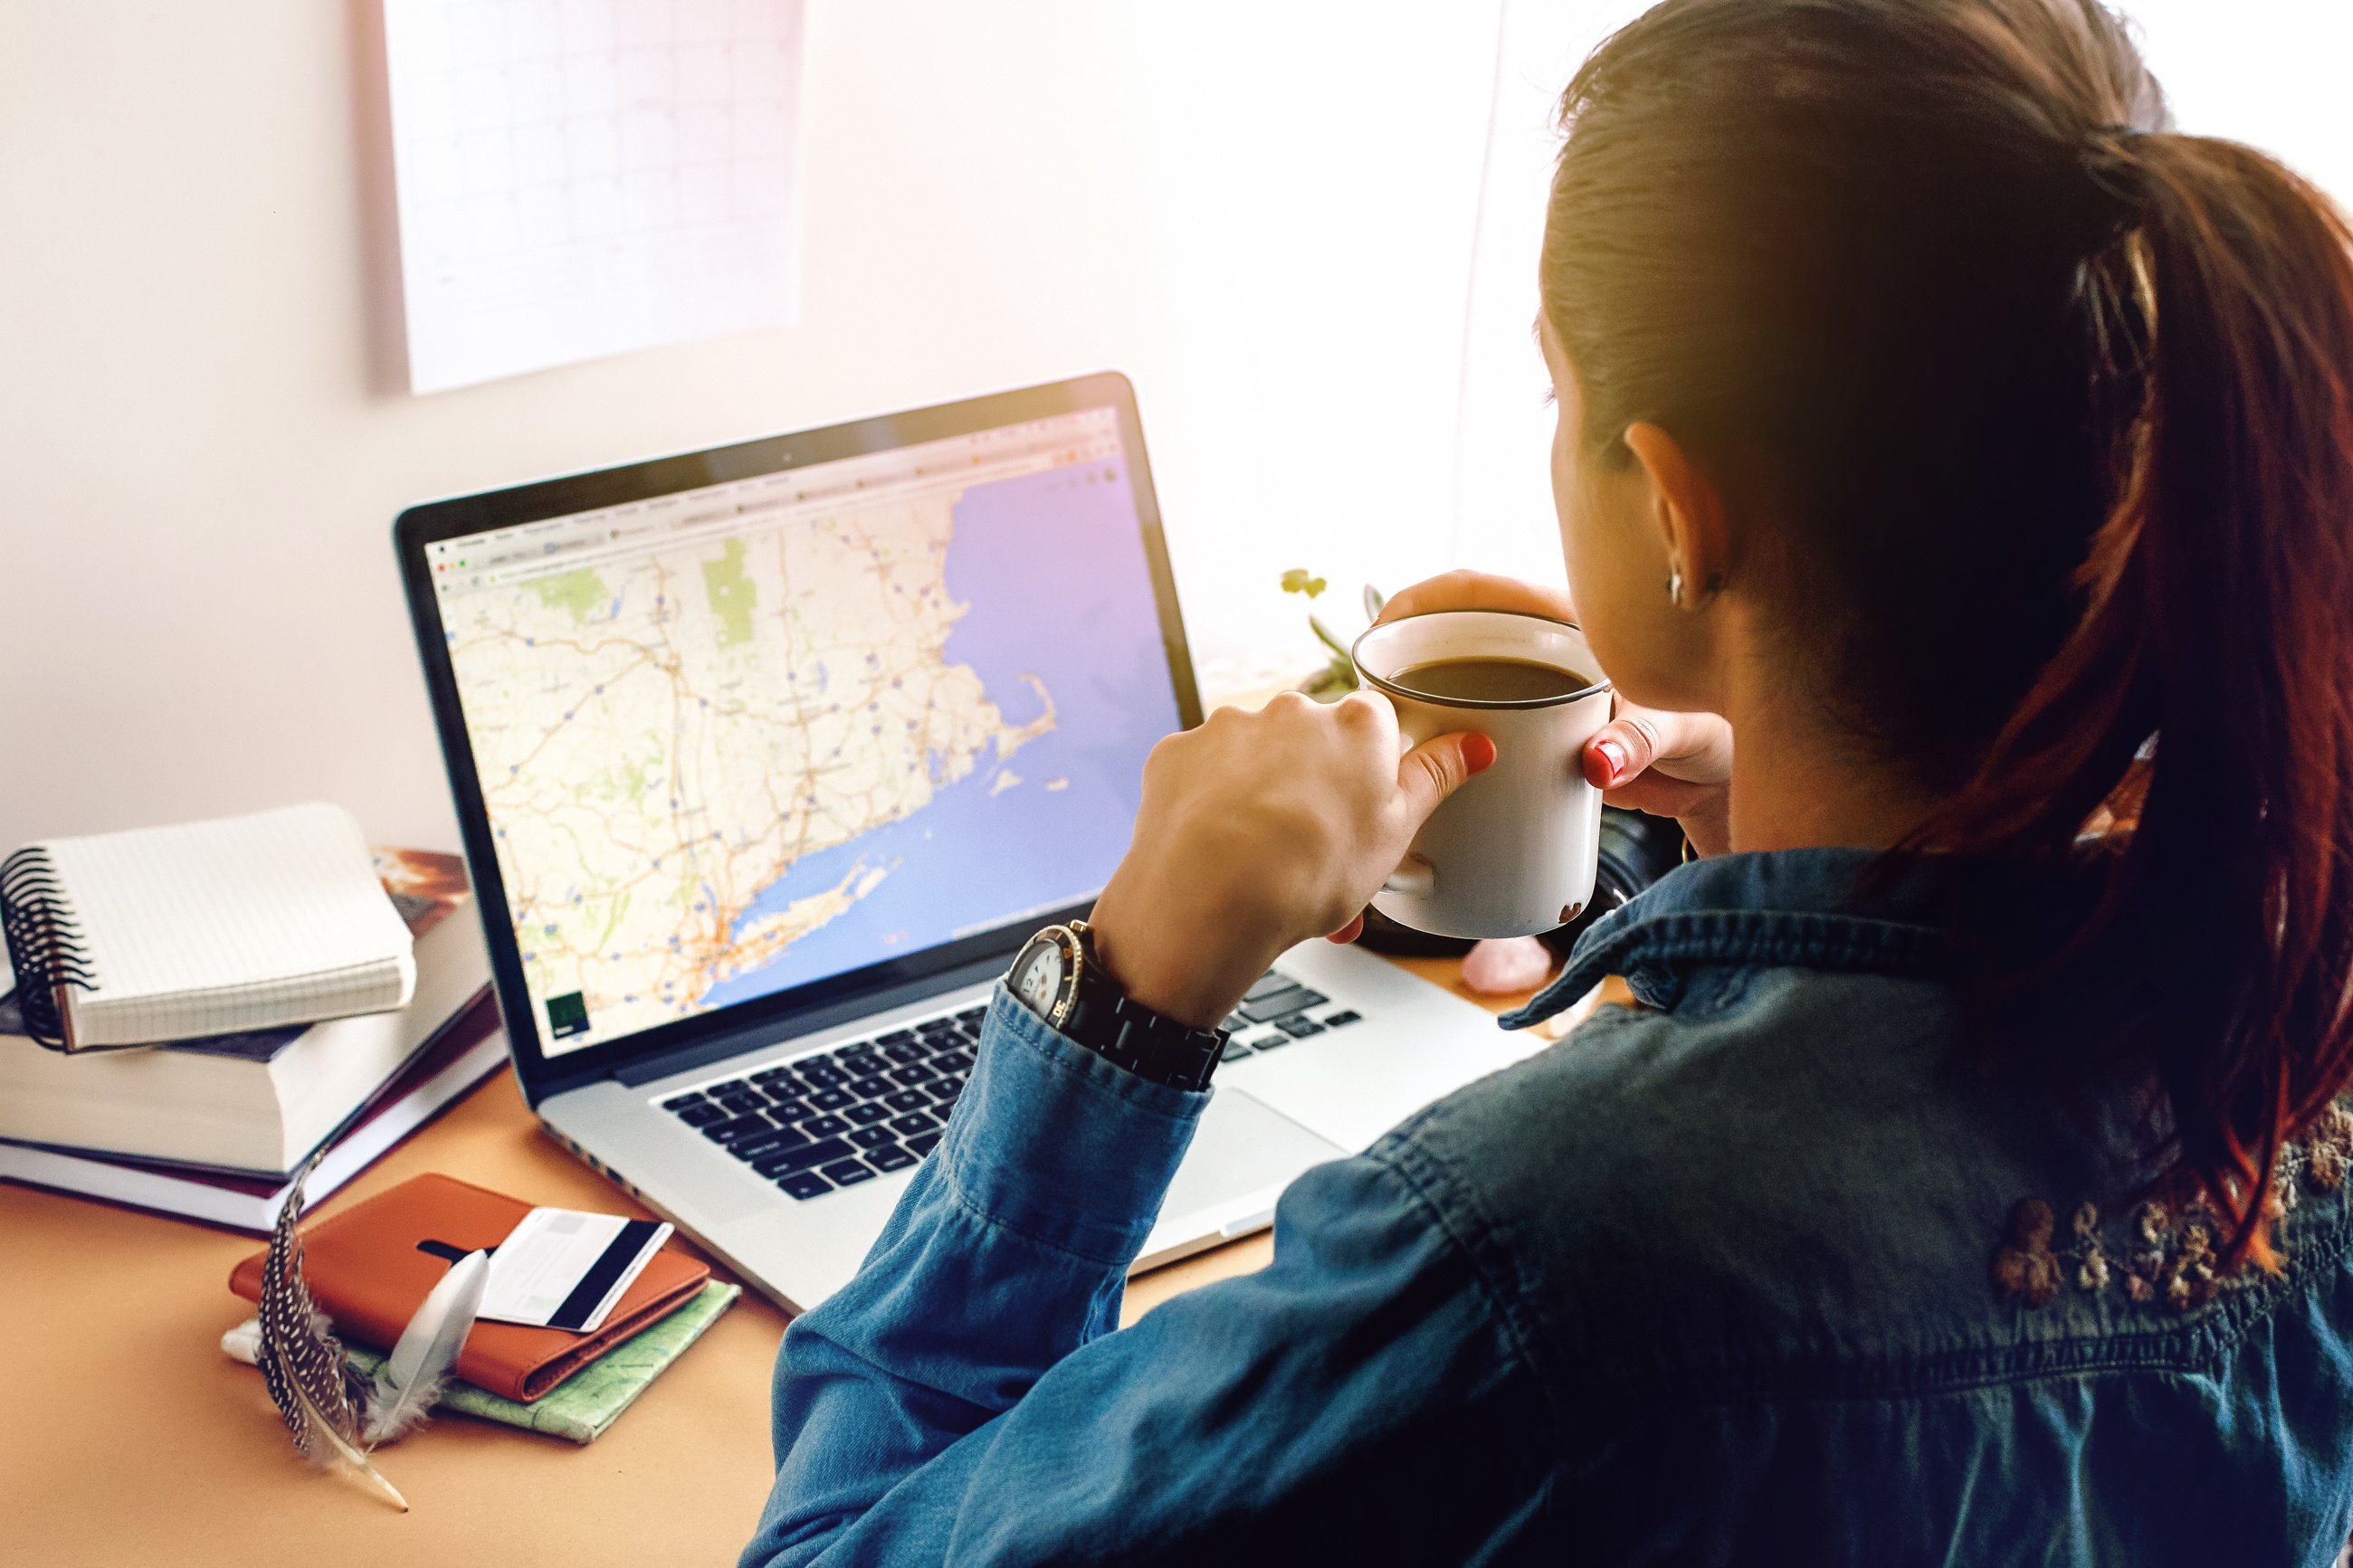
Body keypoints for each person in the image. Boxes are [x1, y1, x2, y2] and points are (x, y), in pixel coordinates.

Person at [739, 0, 2353, 1560]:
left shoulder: (1533, 1254)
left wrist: (1132, 992)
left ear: (1679, 505)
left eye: (1558, 391)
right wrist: (1740, 842)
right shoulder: (2297, 1022)